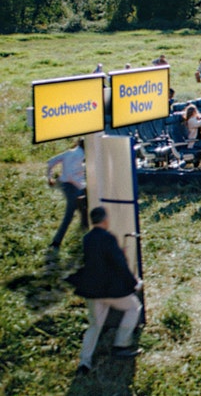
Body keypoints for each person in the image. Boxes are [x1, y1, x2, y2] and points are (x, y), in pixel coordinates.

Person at [67, 207, 142, 375]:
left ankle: (84, 363)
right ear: (105, 220)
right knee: (134, 307)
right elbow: (119, 265)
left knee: (94, 326)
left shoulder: (87, 239)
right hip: (110, 290)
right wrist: (133, 283)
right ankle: (121, 344)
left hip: (92, 290)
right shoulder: (108, 238)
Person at [47, 139, 88, 249]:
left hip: (66, 184)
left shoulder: (69, 152)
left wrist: (49, 177)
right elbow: (71, 175)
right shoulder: (80, 155)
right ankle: (56, 242)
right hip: (73, 186)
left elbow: (51, 161)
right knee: (70, 214)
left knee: (84, 209)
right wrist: (82, 186)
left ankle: (85, 236)